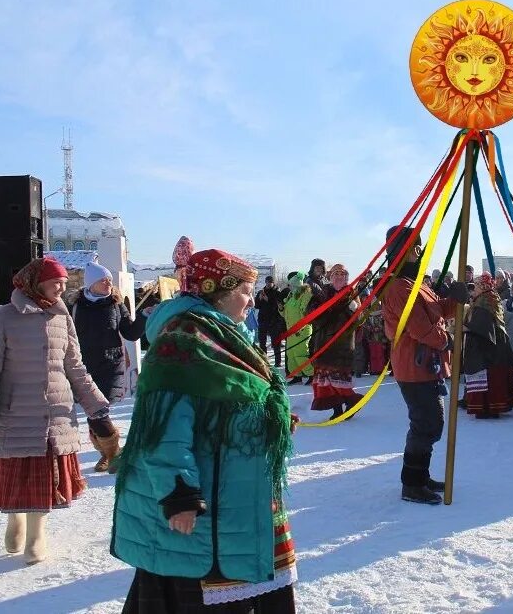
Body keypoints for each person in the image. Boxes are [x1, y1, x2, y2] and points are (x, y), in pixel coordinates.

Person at [111, 249, 297, 611]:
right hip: (204, 503)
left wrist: (267, 420)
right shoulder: (183, 340)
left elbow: (236, 396)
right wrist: (179, 496)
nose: (251, 299)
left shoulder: (225, 333)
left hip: (237, 492)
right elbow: (162, 430)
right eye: (246, 290)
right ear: (222, 291)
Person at [0, 257, 113, 565]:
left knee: (44, 476)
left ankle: (37, 533)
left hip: (55, 410)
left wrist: (97, 406)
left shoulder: (62, 317)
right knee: (17, 473)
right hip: (16, 410)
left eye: (64, 282)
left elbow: (75, 366)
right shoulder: (4, 317)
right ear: (35, 282)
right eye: (55, 282)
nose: (62, 288)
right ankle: (16, 520)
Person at [381, 226, 468, 505]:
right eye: (415, 248)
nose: (420, 252)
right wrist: (447, 341)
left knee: (430, 423)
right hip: (414, 366)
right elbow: (419, 328)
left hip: (425, 366)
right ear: (403, 252)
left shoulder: (416, 284)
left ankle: (421, 476)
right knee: (426, 424)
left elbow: (435, 311)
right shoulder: (398, 287)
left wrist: (454, 299)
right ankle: (412, 484)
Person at [69, 261, 146, 472]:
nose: (108, 283)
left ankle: (111, 455)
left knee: (99, 411)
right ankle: (109, 454)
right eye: (103, 280)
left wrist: (143, 317)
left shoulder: (115, 305)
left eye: (110, 280)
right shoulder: (75, 307)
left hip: (111, 364)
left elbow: (130, 333)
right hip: (83, 365)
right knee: (93, 411)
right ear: (91, 283)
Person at [309, 264, 362, 419]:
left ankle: (352, 403)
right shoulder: (323, 292)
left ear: (346, 277)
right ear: (330, 276)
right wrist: (325, 310)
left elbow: (359, 319)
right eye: (336, 274)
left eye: (342, 274)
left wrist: (353, 309)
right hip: (323, 343)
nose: (339, 276)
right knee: (326, 382)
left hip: (342, 344)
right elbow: (310, 312)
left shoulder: (352, 293)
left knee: (339, 380)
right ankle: (336, 409)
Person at [463, 273, 513, 418]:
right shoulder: (490, 298)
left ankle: (487, 407)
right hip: (496, 346)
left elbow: (483, 325)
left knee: (488, 376)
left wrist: (465, 327)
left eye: (475, 286)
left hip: (486, 348)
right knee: (493, 376)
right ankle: (492, 406)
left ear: (482, 287)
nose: (473, 290)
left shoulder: (483, 302)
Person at [281, 272, 314, 382]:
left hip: (301, 329)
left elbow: (304, 312)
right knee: (291, 354)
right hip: (290, 330)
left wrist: (301, 327)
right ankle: (297, 375)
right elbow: (286, 313)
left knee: (300, 353)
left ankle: (311, 374)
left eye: (291, 284)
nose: (289, 287)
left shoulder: (306, 294)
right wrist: (281, 308)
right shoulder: (291, 295)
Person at [254, 276, 288, 370]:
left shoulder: (277, 293)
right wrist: (260, 299)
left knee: (276, 342)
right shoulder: (261, 292)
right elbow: (256, 306)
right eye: (267, 282)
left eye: (270, 282)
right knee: (262, 342)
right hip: (263, 320)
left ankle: (278, 362)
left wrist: (268, 300)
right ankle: (263, 361)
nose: (269, 284)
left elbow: (278, 307)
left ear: (273, 283)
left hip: (274, 320)